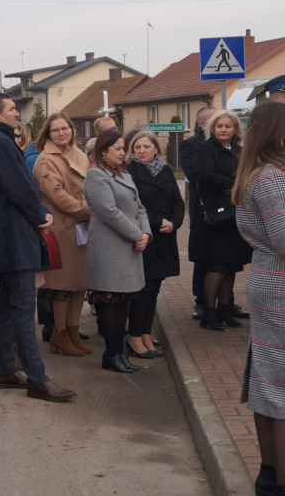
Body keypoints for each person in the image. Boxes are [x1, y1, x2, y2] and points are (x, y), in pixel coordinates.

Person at [232, 101, 285, 496]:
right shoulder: (271, 178)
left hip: (278, 284)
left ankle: (270, 477)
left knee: (273, 384)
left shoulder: (273, 171)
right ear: (281, 133)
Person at [0, 92, 75, 402]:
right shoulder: (0, 142)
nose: (17, 113)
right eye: (11, 109)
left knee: (6, 306)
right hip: (12, 238)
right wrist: (41, 216)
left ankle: (5, 370)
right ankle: (37, 379)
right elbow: (18, 188)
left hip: (6, 237)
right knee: (21, 307)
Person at [83, 131, 150, 374]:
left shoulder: (123, 173)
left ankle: (118, 352)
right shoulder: (96, 175)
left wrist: (146, 234)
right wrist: (137, 235)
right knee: (111, 302)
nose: (123, 153)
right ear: (103, 151)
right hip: (110, 248)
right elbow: (109, 212)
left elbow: (139, 207)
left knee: (124, 302)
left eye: (124, 148)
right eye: (118, 149)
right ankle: (112, 353)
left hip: (129, 246)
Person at [32, 112, 93, 357]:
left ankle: (73, 331)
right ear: (47, 133)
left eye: (65, 128)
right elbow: (56, 195)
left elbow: (91, 186)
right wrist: (87, 209)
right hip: (61, 227)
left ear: (72, 130)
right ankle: (59, 333)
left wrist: (88, 210)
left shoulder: (79, 155)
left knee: (80, 284)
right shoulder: (45, 160)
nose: (61, 133)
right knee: (62, 286)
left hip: (82, 227)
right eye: (55, 130)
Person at [188, 109, 253, 331]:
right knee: (216, 265)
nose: (223, 129)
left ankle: (226, 309)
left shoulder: (239, 151)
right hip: (216, 216)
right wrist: (236, 186)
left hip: (236, 215)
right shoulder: (204, 149)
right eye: (219, 126)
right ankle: (210, 311)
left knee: (231, 265)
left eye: (228, 126)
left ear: (235, 129)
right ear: (212, 128)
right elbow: (206, 176)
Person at [126, 131, 184, 358]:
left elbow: (178, 203)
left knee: (155, 288)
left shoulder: (166, 170)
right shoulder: (130, 172)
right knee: (143, 289)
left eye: (146, 147)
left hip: (165, 235)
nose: (141, 151)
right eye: (137, 147)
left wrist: (175, 223)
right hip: (145, 234)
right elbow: (132, 205)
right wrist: (159, 221)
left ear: (156, 149)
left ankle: (146, 333)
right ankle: (134, 336)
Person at [180, 105, 218, 321]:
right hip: (202, 207)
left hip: (227, 208)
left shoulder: (229, 144)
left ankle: (225, 301)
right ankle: (201, 301)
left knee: (225, 256)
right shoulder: (190, 145)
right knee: (203, 255)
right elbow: (196, 176)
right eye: (215, 120)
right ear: (203, 124)